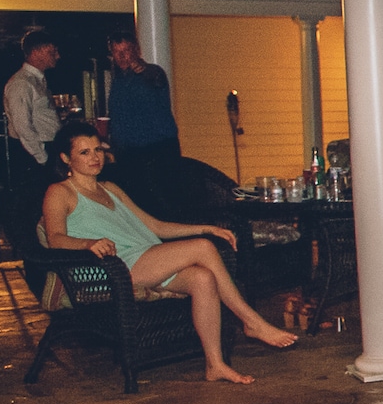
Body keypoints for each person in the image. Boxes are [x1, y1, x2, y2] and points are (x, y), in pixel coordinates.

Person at [40, 121, 298, 384]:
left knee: (202, 279)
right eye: (84, 152)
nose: (95, 157)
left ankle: (215, 364)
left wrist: (207, 227)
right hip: (109, 269)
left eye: (97, 149)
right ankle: (250, 321)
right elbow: (55, 238)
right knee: (203, 248)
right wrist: (86, 244)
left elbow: (154, 226)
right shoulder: (59, 192)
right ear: (65, 158)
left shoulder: (110, 188)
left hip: (144, 259)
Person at [102, 26, 183, 219]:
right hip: (130, 155)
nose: (122, 56)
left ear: (136, 51)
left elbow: (154, 78)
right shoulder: (117, 81)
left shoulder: (152, 72)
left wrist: (143, 69)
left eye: (126, 51)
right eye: (117, 52)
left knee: (165, 207)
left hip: (158, 152)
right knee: (137, 207)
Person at [3, 29, 62, 189]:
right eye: (52, 51)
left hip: (44, 149)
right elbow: (22, 126)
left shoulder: (37, 80)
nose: (58, 56)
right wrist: (43, 158)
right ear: (36, 52)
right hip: (34, 154)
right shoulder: (22, 83)